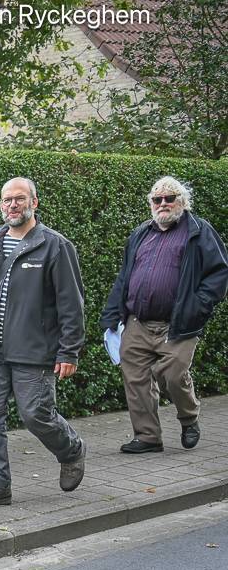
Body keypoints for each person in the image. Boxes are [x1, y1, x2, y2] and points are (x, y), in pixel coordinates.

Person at [0, 177, 87, 508]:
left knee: (36, 414)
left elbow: (72, 303)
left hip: (34, 349)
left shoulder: (55, 245)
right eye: (6, 201)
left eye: (18, 199)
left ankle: (71, 449)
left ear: (34, 203)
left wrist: (69, 350)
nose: (12, 205)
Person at [100, 176, 228, 454]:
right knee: (135, 378)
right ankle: (147, 436)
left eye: (169, 198)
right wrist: (112, 315)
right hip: (137, 321)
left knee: (173, 373)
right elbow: (125, 277)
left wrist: (199, 306)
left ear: (182, 201)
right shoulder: (140, 234)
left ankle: (189, 417)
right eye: (157, 199)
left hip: (178, 323)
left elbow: (219, 273)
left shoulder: (198, 231)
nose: (163, 203)